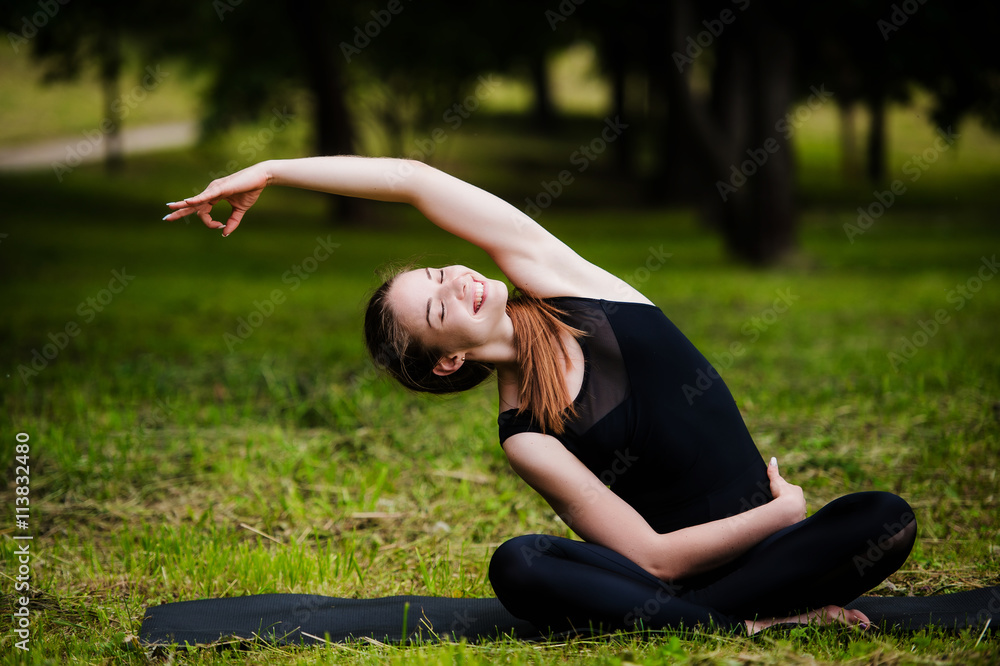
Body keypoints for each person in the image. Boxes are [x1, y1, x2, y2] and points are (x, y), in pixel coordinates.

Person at [165, 155, 916, 636]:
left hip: (777, 554)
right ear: (451, 358)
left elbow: (414, 183)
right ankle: (742, 624)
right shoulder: (526, 433)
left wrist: (273, 169)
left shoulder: (567, 282)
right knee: (519, 565)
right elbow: (654, 563)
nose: (454, 280)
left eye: (434, 274)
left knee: (886, 518)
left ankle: (728, 621)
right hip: (690, 572)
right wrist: (783, 508)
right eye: (437, 308)